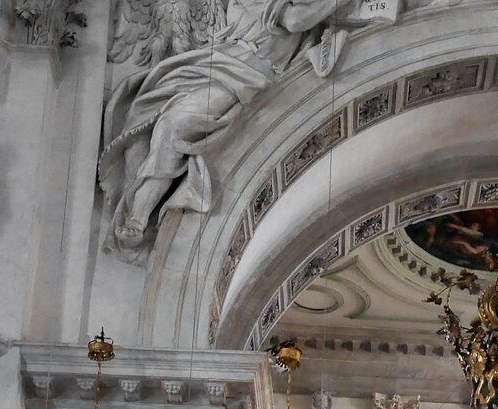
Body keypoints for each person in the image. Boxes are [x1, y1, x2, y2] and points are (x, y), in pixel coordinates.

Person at [99, 0, 360, 256]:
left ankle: (139, 215)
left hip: (249, 74)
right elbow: (295, 20)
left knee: (173, 125)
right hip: (234, 69)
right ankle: (138, 216)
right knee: (172, 124)